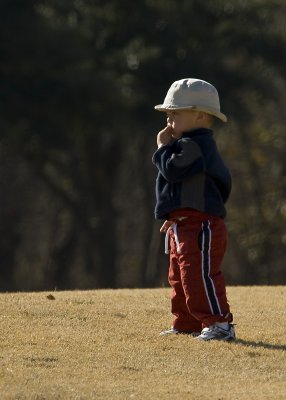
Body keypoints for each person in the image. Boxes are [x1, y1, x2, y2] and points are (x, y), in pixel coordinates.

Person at [152, 78, 235, 341]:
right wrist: (174, 215)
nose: (169, 120)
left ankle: (219, 324)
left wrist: (162, 147)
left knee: (199, 275)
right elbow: (180, 188)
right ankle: (187, 323)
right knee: (180, 277)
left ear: (200, 115)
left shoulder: (196, 145)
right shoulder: (187, 146)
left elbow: (172, 171)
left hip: (201, 226)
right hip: (185, 224)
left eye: (175, 113)